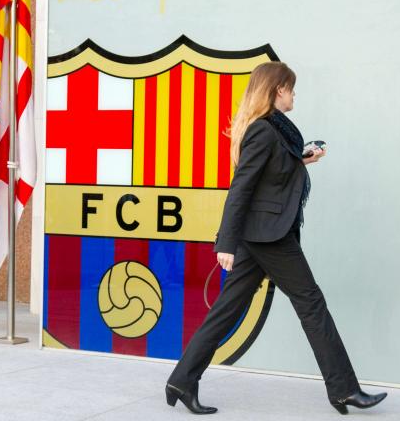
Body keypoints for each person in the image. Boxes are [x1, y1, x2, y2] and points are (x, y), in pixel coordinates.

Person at [165, 61, 387, 415]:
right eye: (291, 88)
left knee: (227, 309)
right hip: (268, 237)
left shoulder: (276, 132)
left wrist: (302, 159)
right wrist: (225, 242)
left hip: (262, 234)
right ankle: (344, 389)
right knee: (311, 303)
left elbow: (274, 174)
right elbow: (242, 187)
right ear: (277, 89)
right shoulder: (263, 131)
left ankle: (182, 379)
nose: (294, 94)